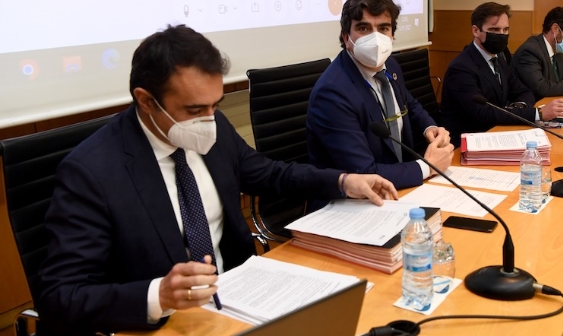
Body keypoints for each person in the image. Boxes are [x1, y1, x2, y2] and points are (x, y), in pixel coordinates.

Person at [36, 25, 398, 335]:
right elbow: (58, 297)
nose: (208, 120)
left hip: (241, 299)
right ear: (146, 101)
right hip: (168, 322)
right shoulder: (92, 172)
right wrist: (157, 294)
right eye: (194, 110)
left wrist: (344, 181)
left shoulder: (212, 127)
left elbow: (268, 173)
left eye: (216, 106)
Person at [307, 0, 454, 190]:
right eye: (364, 28)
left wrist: (430, 128)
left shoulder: (390, 65)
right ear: (345, 37)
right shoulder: (332, 93)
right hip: (352, 202)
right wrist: (427, 168)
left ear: (392, 35)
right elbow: (363, 173)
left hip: (399, 186)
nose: (375, 39)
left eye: (383, 28)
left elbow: (409, 103)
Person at [439, 2, 563, 147]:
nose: (501, 35)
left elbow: (524, 91)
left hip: (496, 133)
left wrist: (519, 107)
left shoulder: (498, 59)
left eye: (505, 29)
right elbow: (484, 114)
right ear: (476, 31)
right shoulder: (461, 68)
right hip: (467, 143)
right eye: (495, 29)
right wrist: (538, 114)